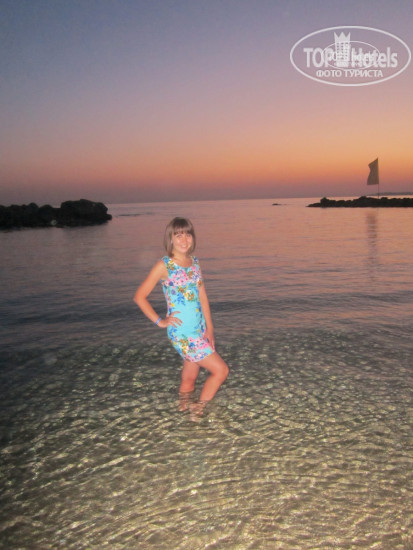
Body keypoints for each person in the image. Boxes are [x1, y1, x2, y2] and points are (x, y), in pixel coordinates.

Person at [134, 217, 229, 421]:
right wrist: (160, 321)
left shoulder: (194, 262)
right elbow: (139, 297)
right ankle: (198, 410)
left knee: (189, 378)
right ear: (170, 239)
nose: (184, 240)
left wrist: (210, 329)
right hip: (182, 332)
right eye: (178, 235)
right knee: (221, 371)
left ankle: (181, 413)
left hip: (198, 328)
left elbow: (202, 297)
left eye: (187, 235)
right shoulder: (164, 265)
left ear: (193, 237)